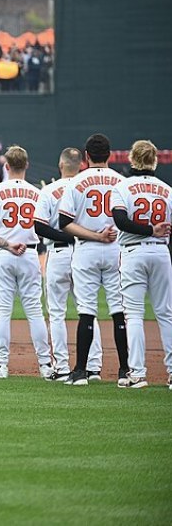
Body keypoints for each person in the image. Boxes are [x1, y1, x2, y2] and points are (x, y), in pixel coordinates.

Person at [0, 146, 54, 379]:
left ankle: (1, 366)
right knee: (35, 311)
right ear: (27, 165)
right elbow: (44, 226)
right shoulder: (38, 193)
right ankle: (45, 365)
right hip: (30, 253)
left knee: (2, 311)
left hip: (2, 253)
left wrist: (6, 244)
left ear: (6, 166)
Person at [59, 134, 129, 387]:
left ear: (86, 156)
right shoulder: (123, 182)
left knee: (87, 311)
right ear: (109, 155)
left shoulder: (77, 182)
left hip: (87, 249)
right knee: (119, 312)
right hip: (116, 249)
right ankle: (124, 371)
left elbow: (64, 223)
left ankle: (80, 372)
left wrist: (95, 237)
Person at [37, 148, 104, 381]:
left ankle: (63, 367)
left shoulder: (49, 190)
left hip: (59, 253)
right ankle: (94, 367)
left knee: (57, 312)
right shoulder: (87, 187)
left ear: (60, 164)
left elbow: (40, 227)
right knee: (88, 310)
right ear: (81, 165)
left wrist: (67, 236)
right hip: (85, 250)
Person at [110, 140, 172, 389]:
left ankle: (137, 373)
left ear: (132, 159)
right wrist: (156, 233)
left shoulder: (123, 187)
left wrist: (148, 230)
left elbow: (121, 221)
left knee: (134, 315)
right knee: (166, 314)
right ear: (155, 160)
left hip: (134, 251)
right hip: (161, 253)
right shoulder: (167, 189)